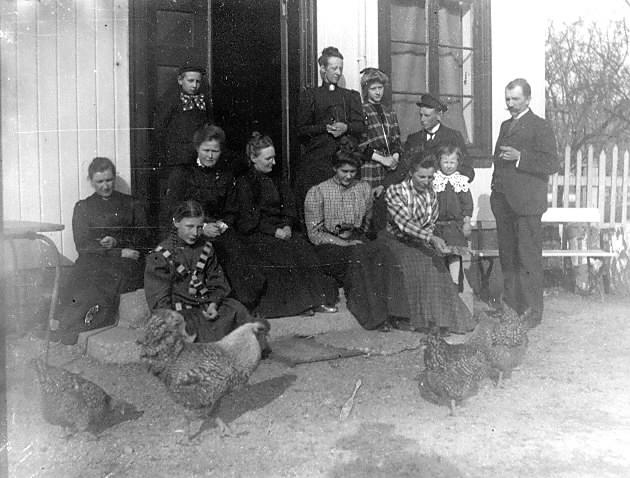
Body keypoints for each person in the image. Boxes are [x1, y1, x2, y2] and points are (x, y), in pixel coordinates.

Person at [348, 153, 474, 334]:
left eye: (430, 177)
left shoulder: (431, 193)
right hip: (394, 239)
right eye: (422, 177)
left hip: (418, 240)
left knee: (436, 265)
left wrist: (432, 242)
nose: (426, 181)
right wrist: (430, 239)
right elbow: (404, 223)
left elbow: (430, 223)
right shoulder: (395, 191)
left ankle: (441, 320)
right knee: (416, 265)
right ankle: (416, 319)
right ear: (411, 174)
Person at [224, 132, 339, 317]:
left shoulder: (277, 179)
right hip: (257, 233)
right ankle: (300, 305)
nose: (274, 162)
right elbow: (247, 218)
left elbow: (289, 206)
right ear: (253, 158)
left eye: (274, 157)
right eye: (268, 158)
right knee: (283, 254)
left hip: (281, 229)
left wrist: (286, 225)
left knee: (303, 249)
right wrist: (273, 231)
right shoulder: (244, 183)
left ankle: (318, 300)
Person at [163, 124, 266, 308]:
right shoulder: (183, 174)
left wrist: (223, 224)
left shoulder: (225, 175)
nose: (210, 156)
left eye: (215, 151)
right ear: (197, 148)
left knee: (238, 254)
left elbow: (231, 209)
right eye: (206, 150)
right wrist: (201, 228)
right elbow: (174, 210)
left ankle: (242, 304)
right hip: (190, 232)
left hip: (219, 230)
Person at [53, 157, 148, 344]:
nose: (105, 186)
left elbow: (144, 235)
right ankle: (69, 323)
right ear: (91, 181)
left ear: (114, 178)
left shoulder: (131, 203)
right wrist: (116, 251)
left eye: (109, 180)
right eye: (99, 181)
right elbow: (82, 245)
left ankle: (82, 323)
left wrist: (117, 241)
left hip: (125, 262)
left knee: (104, 281)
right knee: (82, 276)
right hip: (96, 258)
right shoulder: (83, 207)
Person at [491, 78, 559, 327]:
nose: (510, 104)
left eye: (515, 99)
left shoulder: (540, 126)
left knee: (528, 259)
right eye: (507, 99)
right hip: (504, 203)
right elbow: (498, 161)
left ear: (528, 99)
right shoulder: (505, 125)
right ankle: (511, 309)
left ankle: (531, 312)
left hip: (527, 205)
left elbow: (552, 163)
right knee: (508, 258)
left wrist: (521, 157)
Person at [144, 200, 252, 342]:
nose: (195, 233)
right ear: (176, 222)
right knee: (192, 330)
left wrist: (213, 304)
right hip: (180, 312)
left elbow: (217, 281)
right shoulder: (160, 255)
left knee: (237, 310)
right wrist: (173, 319)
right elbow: (159, 300)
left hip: (206, 306)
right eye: (189, 226)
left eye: (199, 227)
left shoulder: (206, 248)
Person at [296, 46, 365, 209]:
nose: (338, 72)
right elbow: (301, 130)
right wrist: (325, 128)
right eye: (334, 68)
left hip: (344, 159)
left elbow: (360, 126)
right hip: (319, 160)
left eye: (340, 68)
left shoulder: (350, 96)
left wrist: (346, 127)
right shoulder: (311, 96)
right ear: (322, 69)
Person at [153, 62, 214, 227]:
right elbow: (159, 130)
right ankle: (171, 234)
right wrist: (165, 156)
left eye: (198, 82)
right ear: (180, 80)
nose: (194, 85)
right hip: (177, 160)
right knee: (175, 199)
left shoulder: (203, 101)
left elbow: (210, 127)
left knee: (198, 196)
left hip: (198, 160)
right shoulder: (170, 100)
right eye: (190, 81)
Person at [304, 146, 372, 285]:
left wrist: (358, 237)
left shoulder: (364, 188)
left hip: (356, 239)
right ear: (335, 168)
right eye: (344, 171)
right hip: (329, 244)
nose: (349, 176)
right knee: (354, 260)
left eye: (353, 171)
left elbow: (368, 221)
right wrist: (345, 243)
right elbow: (315, 234)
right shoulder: (318, 192)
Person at [357, 68, 403, 234]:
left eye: (380, 88)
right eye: (373, 89)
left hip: (390, 165)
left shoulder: (389, 111)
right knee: (370, 204)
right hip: (371, 164)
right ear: (366, 90)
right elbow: (360, 144)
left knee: (388, 203)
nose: (378, 92)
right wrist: (382, 159)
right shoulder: (362, 110)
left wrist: (395, 157)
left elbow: (396, 138)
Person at [403, 93, 475, 182]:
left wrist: (452, 180)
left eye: (427, 116)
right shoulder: (413, 139)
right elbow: (403, 170)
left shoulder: (454, 136)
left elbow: (468, 170)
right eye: (421, 115)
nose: (422, 120)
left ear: (439, 115)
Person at [433, 144, 474, 282]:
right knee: (438, 254)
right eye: (445, 162)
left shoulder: (460, 181)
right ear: (439, 161)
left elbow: (467, 204)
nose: (449, 166)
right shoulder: (434, 180)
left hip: (454, 225)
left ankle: (454, 282)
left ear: (458, 162)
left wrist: (467, 222)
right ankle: (441, 284)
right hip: (437, 224)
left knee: (454, 254)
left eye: (452, 162)